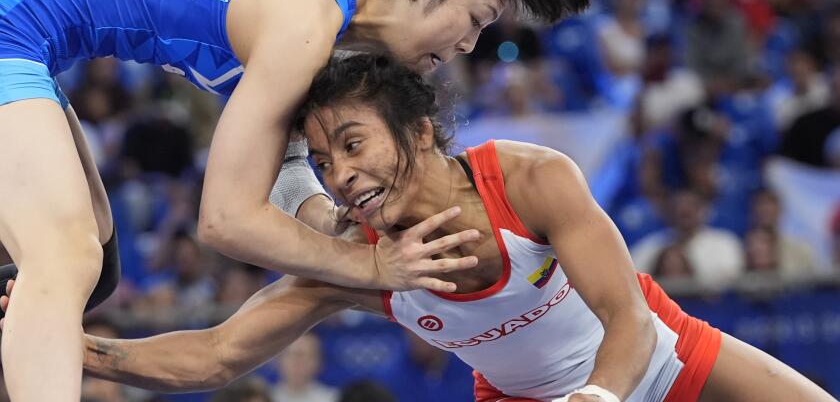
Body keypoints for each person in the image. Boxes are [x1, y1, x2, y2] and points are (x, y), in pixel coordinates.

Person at [0, 0, 600, 400]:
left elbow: (283, 170)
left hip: (29, 44)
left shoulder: (323, 13)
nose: (469, 45)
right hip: (10, 29)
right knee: (64, 259)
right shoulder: (304, 25)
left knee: (91, 269)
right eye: (475, 20)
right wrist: (370, 265)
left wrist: (332, 226)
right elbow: (226, 221)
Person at [21, 54, 832, 402]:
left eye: (352, 144)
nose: (342, 175)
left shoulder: (532, 179)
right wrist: (65, 341)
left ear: (417, 133)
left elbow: (626, 317)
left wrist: (596, 396)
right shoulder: (350, 262)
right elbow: (215, 355)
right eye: (323, 160)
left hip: (659, 352)